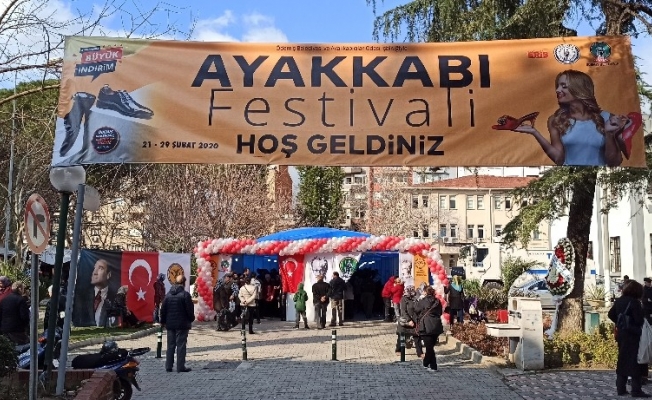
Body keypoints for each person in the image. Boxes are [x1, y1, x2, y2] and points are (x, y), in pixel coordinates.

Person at [496, 70, 640, 167]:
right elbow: (559, 160)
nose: (557, 90)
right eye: (558, 86)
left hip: (596, 178)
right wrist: (535, 133)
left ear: (579, 89)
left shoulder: (607, 118)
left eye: (563, 86)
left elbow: (614, 162)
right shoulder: (555, 120)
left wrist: (610, 134)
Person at [608, 280, 649, 397]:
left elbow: (610, 314)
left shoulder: (619, 300)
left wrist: (620, 323)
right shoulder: (635, 302)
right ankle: (636, 390)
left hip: (622, 334)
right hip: (634, 335)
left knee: (623, 360)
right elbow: (639, 320)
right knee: (636, 362)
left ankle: (620, 388)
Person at [160, 275, 194, 373]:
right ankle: (180, 366)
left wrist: (163, 321)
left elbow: (163, 310)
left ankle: (168, 366)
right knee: (181, 345)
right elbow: (190, 310)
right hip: (182, 324)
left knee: (170, 345)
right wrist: (191, 319)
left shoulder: (168, 295)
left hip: (170, 324)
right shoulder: (185, 295)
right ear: (184, 283)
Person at [73, 258, 116, 327]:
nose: (95, 273)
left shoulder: (115, 297)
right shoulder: (82, 295)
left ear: (108, 275)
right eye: (94, 268)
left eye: (100, 268)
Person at [414, 286, 443, 371]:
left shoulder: (423, 301)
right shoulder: (437, 301)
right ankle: (427, 363)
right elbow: (440, 312)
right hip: (436, 326)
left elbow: (416, 310)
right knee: (430, 347)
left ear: (425, 292)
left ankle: (432, 366)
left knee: (429, 348)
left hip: (425, 326)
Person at [395, 285, 422, 358]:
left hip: (414, 320)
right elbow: (403, 311)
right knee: (401, 337)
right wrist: (409, 320)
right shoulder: (403, 299)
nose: (413, 292)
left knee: (417, 337)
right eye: (411, 290)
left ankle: (420, 352)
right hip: (405, 322)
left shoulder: (415, 299)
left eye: (413, 290)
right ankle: (398, 350)